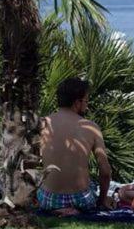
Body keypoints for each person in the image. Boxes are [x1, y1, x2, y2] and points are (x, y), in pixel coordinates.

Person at [37, 77, 112, 216]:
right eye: (86, 101)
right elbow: (105, 171)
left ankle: (58, 209)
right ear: (77, 102)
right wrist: (102, 201)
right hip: (82, 200)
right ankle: (74, 210)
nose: (87, 105)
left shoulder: (42, 124)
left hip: (49, 200)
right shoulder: (91, 127)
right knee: (92, 185)